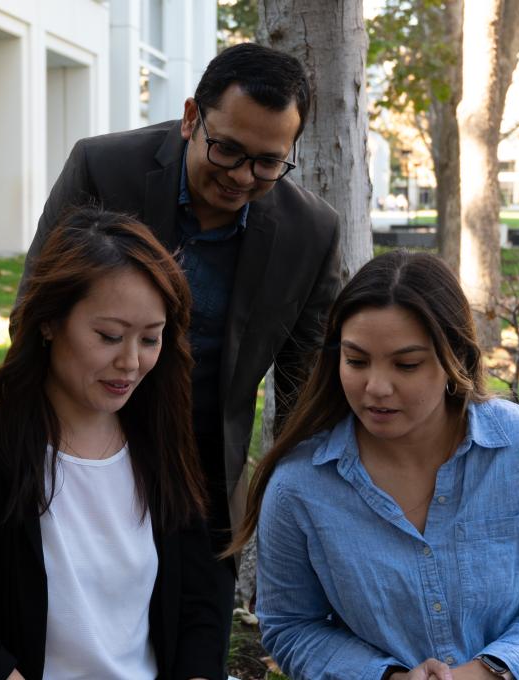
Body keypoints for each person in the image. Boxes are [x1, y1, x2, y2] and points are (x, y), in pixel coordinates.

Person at [20, 42, 343, 563]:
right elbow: (34, 310)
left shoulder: (311, 232)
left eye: (268, 162)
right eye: (228, 149)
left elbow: (303, 387)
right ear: (192, 117)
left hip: (207, 478)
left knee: (198, 612)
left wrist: (297, 506)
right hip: (76, 454)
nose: (242, 176)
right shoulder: (103, 170)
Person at [230, 251, 519, 680]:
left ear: (454, 359)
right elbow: (291, 627)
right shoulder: (299, 484)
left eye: (406, 364)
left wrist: (485, 671)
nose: (376, 387)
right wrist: (387, 677)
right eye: (356, 361)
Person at [0, 208, 230, 680]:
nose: (130, 362)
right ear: (49, 322)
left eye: (150, 339)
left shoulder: (161, 445)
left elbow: (200, 605)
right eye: (109, 336)